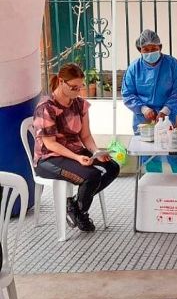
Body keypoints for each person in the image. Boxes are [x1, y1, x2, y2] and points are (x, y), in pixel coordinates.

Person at [33, 63, 120, 232]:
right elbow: (50, 143)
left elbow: (85, 136)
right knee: (92, 176)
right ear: (60, 81)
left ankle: (74, 206)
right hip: (49, 158)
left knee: (112, 167)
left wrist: (96, 152)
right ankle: (82, 213)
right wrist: (77, 157)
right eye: (74, 87)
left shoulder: (80, 104)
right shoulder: (46, 107)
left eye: (80, 87)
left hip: (74, 152)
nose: (77, 92)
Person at [122, 29, 177, 173]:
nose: (150, 52)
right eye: (146, 49)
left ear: (160, 47)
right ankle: (154, 190)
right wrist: (143, 108)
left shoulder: (172, 65)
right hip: (145, 120)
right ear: (140, 50)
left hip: (173, 116)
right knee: (149, 156)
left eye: (154, 48)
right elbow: (127, 94)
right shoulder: (134, 69)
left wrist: (166, 110)